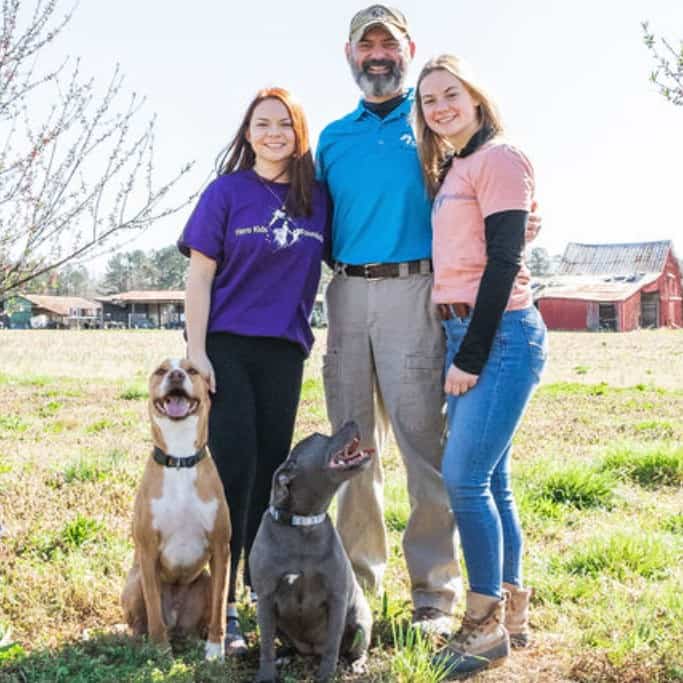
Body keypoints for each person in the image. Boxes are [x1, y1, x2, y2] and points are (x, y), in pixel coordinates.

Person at [315, 5, 463, 634]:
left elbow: (477, 189)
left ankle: (434, 593)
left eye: (388, 43)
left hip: (413, 290)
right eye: (365, 44)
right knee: (351, 453)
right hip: (345, 294)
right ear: (350, 54)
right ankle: (357, 592)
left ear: (408, 49)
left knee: (424, 447)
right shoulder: (330, 138)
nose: (377, 53)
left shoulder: (431, 123)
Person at [178, 87, 329, 653]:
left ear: (299, 134)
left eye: (285, 125)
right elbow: (199, 276)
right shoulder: (226, 193)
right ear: (247, 134)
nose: (274, 134)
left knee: (273, 475)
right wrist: (198, 351)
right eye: (262, 124)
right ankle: (227, 608)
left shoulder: (318, 198)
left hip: (284, 352)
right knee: (236, 471)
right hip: (228, 350)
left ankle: (261, 591)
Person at [414, 54, 548, 677]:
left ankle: (483, 623)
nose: (439, 107)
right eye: (429, 100)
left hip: (499, 336)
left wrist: (468, 356)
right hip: (467, 329)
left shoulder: (498, 157)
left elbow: (501, 264)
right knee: (493, 482)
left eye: (450, 94)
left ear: (475, 98)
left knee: (464, 478)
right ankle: (514, 609)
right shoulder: (459, 165)